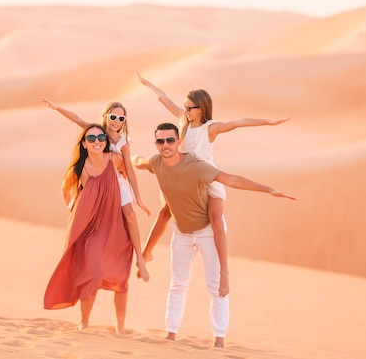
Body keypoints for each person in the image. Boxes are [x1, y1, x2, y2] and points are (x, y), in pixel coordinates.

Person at [132, 122, 296, 348]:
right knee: (178, 284)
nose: (166, 145)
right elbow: (137, 161)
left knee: (216, 286)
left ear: (179, 142)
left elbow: (233, 180)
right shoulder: (156, 163)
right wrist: (122, 152)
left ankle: (219, 339)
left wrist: (268, 190)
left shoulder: (196, 166)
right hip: (181, 233)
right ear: (156, 144)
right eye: (160, 141)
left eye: (170, 140)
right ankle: (171, 333)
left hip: (207, 232)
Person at [136, 72, 290, 294]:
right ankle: (146, 253)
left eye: (190, 107)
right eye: (185, 106)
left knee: (216, 220)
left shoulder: (210, 127)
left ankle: (223, 272)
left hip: (208, 178)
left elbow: (238, 123)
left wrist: (268, 122)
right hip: (182, 179)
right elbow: (162, 97)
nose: (186, 110)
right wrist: (147, 83)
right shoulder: (182, 120)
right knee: (164, 213)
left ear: (201, 108)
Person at [44, 123, 144, 334]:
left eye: (100, 137)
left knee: (120, 275)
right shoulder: (79, 169)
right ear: (84, 144)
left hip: (115, 224)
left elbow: (125, 174)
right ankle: (84, 321)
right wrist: (73, 206)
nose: (97, 141)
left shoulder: (114, 160)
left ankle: (121, 327)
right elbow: (65, 187)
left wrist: (126, 192)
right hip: (90, 228)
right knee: (94, 272)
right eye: (91, 139)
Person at [41, 97, 150, 281]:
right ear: (105, 116)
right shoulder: (96, 132)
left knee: (131, 216)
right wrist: (58, 108)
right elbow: (77, 119)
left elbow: (129, 169)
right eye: (113, 117)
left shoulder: (123, 142)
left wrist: (138, 198)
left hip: (117, 182)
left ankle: (140, 259)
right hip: (96, 181)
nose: (116, 121)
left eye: (121, 119)